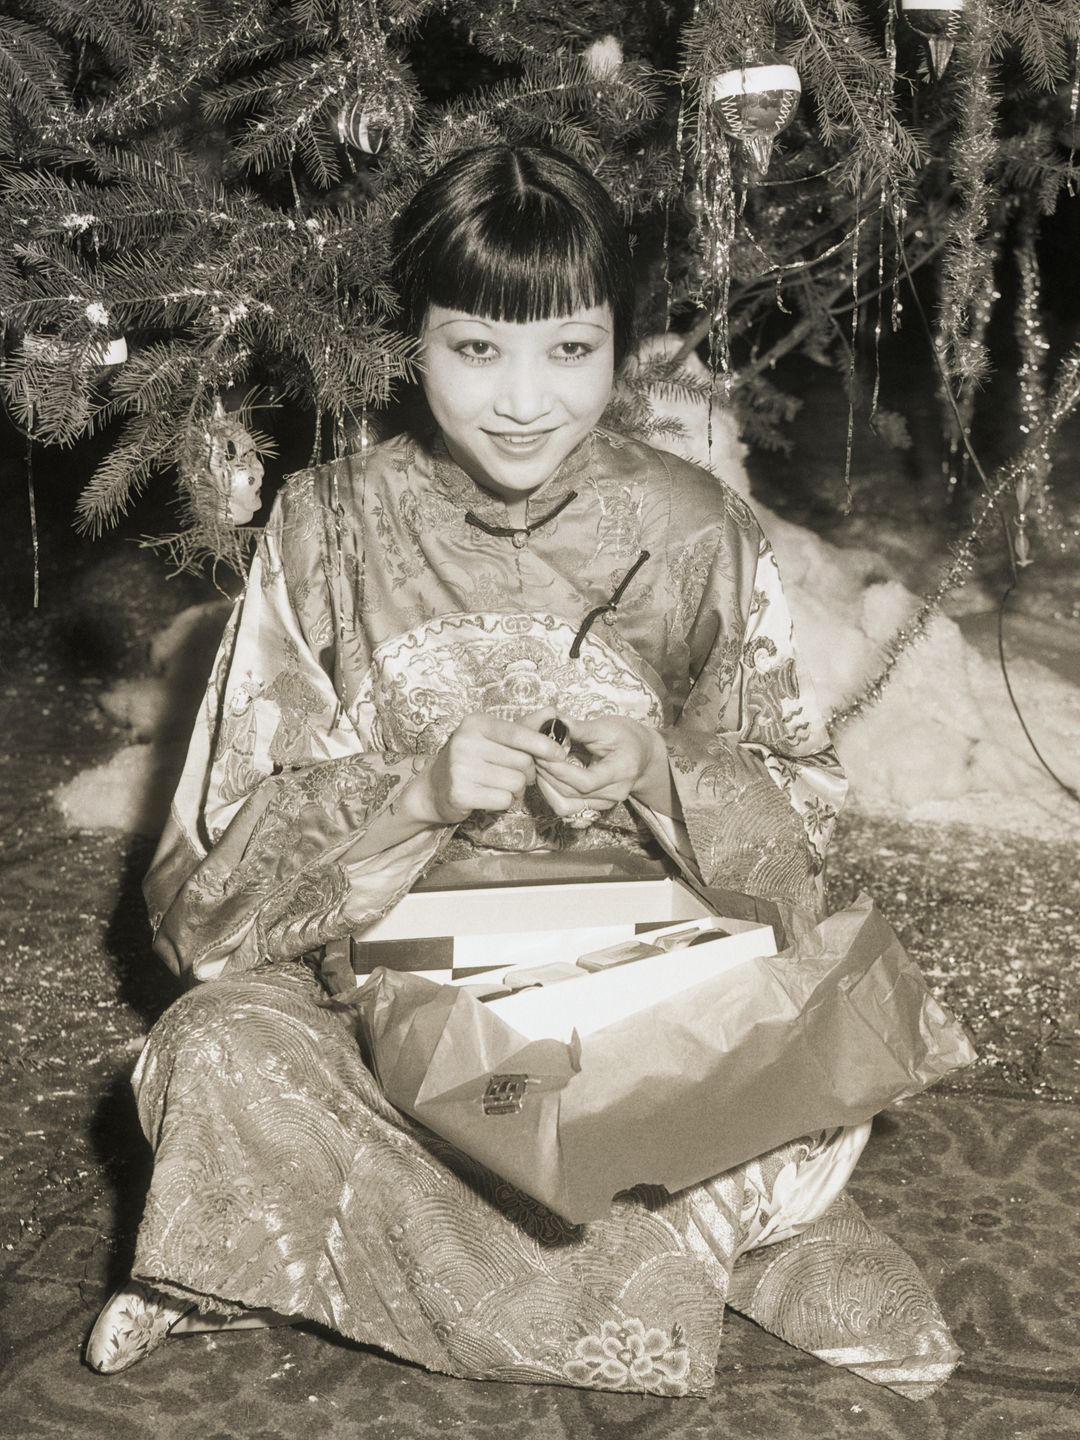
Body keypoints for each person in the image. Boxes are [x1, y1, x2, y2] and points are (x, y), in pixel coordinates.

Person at [85, 143, 958, 1398]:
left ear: (619, 344)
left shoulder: (695, 528)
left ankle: (251, 1247)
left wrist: (664, 771)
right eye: (475, 349)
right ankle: (703, 1243)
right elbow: (213, 889)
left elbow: (805, 840)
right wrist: (416, 795)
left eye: (571, 349)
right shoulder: (324, 525)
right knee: (209, 1053)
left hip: (643, 998)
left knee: (820, 1057)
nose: (525, 401)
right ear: (412, 343)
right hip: (399, 1009)